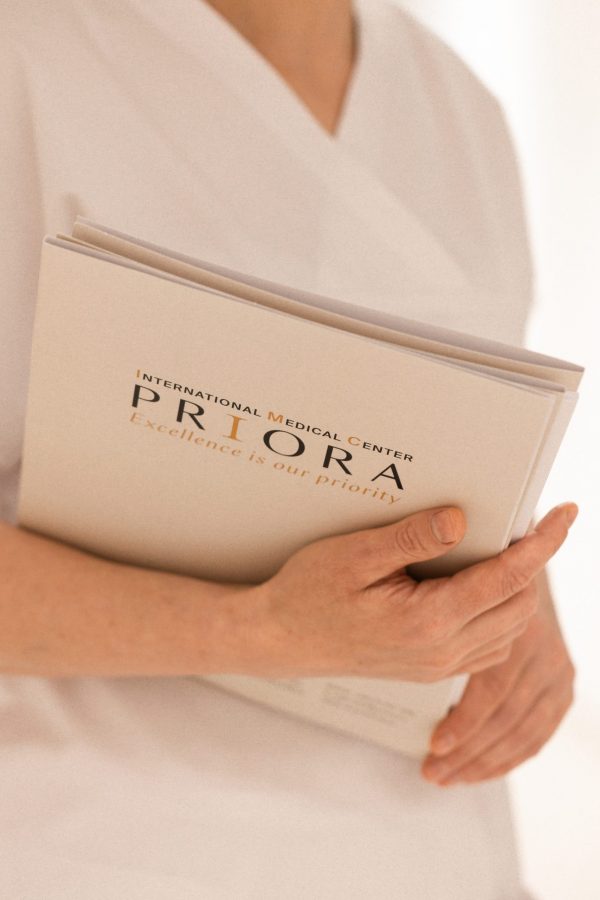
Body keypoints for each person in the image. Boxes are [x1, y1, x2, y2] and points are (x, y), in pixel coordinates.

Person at [0, 1, 577, 897]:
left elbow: (446, 450)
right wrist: (259, 628)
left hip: (430, 851)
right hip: (117, 848)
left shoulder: (458, 106)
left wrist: (515, 610)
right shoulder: (29, 55)